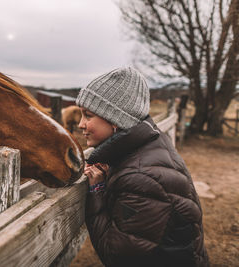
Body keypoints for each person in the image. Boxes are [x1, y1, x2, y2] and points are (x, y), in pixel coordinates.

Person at [76, 67, 209, 267]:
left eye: (88, 115)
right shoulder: (147, 148)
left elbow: (116, 256)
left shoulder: (141, 178)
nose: (80, 124)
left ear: (116, 120)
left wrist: (96, 191)